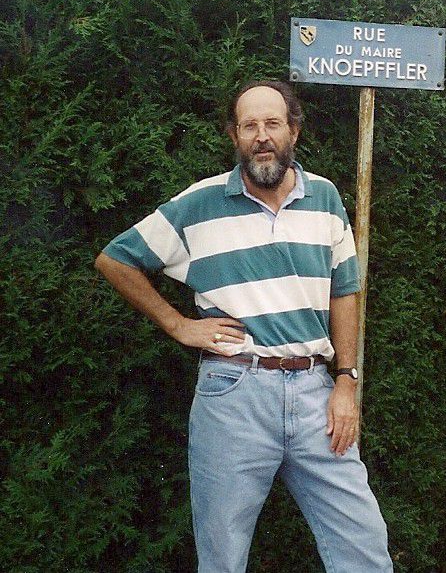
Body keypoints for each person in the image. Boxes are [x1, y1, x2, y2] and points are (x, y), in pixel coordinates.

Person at [95, 80, 393, 572]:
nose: (261, 135)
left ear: (293, 131)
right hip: (233, 395)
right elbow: (115, 260)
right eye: (249, 125)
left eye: (272, 123)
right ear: (234, 135)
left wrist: (345, 380)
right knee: (223, 556)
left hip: (318, 396)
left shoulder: (325, 198)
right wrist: (177, 324)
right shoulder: (200, 202)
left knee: (363, 546)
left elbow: (344, 291)